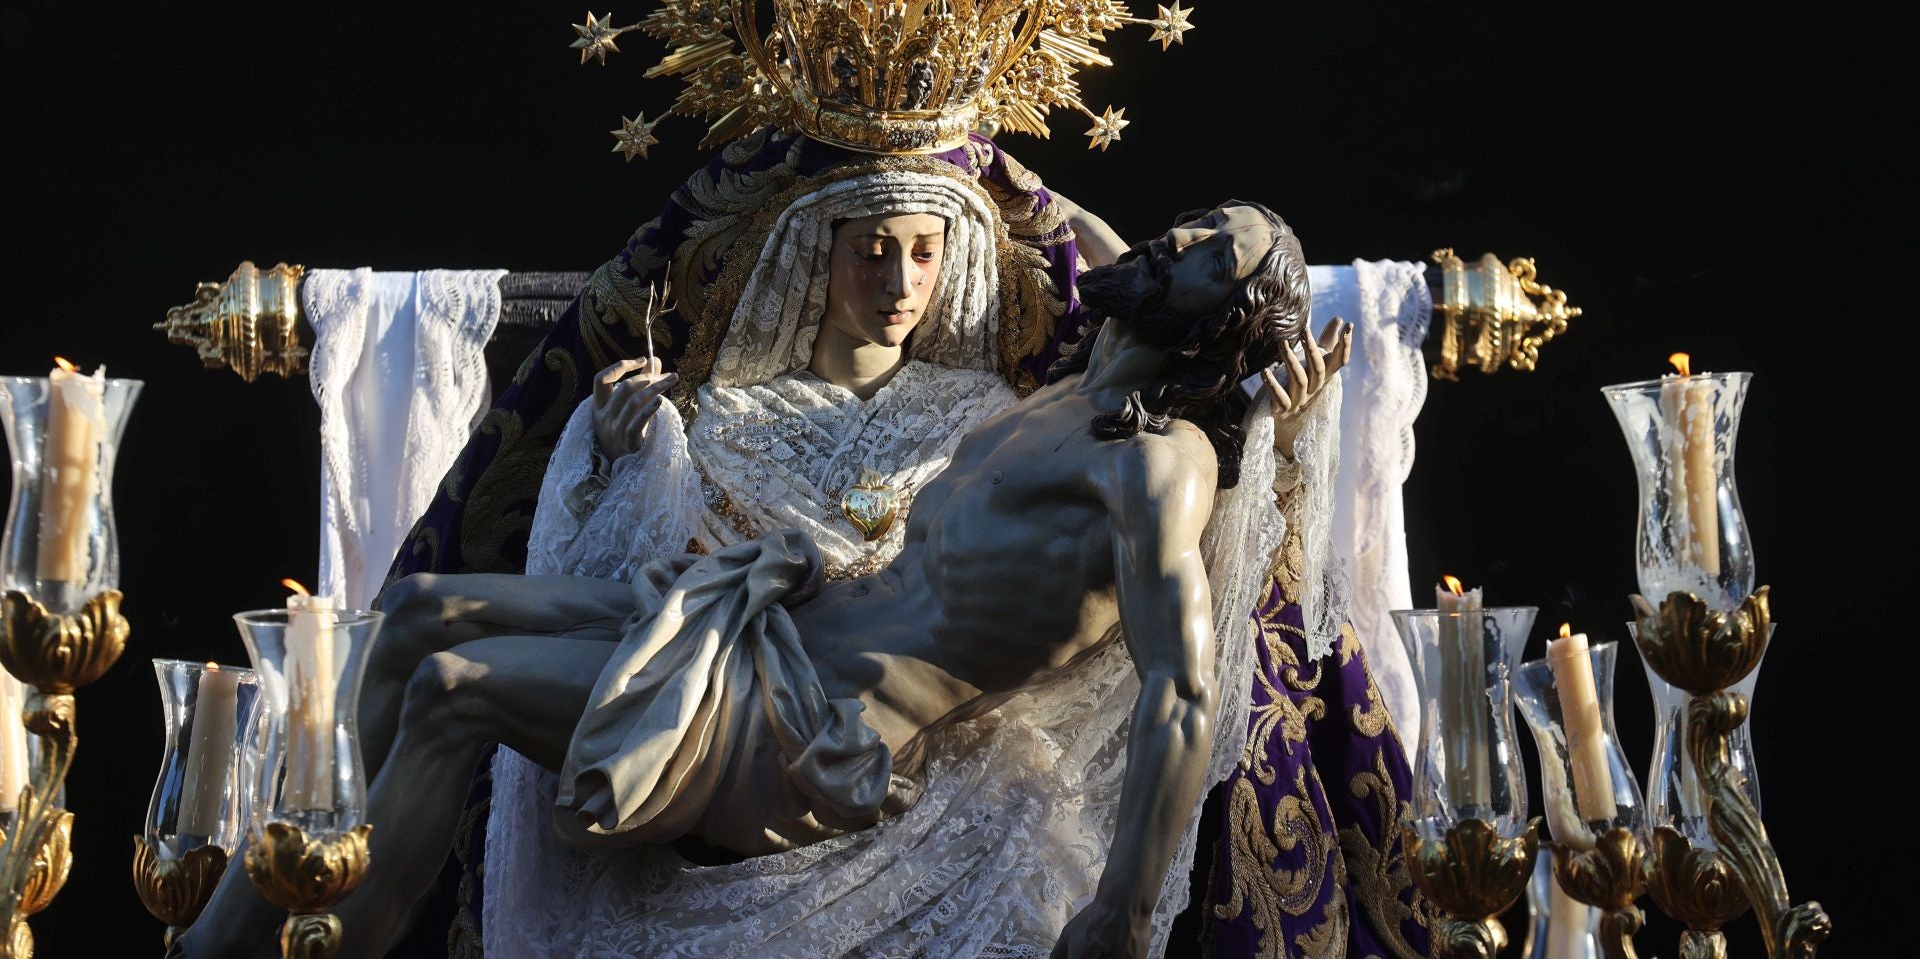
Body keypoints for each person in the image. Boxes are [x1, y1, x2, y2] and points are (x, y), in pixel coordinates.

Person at [178, 200, 1341, 959]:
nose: (1174, 240)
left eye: (1209, 254)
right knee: (420, 616)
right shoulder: (1060, 397)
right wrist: (1014, 180)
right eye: (1189, 220)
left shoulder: (1155, 460)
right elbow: (1093, 242)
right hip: (770, 618)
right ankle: (229, 924)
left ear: (1225, 319)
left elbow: (1183, 688)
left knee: (450, 689)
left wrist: (1124, 911)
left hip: (814, 724)